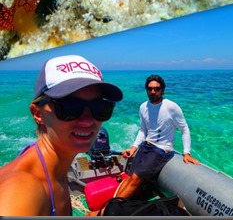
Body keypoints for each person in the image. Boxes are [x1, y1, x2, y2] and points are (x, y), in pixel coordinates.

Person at [0, 55, 122, 216]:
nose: (87, 121)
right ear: (38, 114)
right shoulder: (22, 191)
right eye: (69, 108)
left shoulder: (54, 165)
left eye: (100, 107)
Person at [115, 74, 199, 199]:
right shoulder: (143, 107)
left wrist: (186, 152)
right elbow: (143, 130)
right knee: (129, 178)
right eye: (150, 89)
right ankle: (110, 206)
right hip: (145, 146)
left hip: (161, 150)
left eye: (157, 89)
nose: (153, 92)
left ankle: (105, 212)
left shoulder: (171, 107)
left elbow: (184, 129)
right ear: (147, 90)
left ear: (162, 90)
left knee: (135, 180)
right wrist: (134, 147)